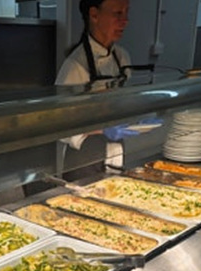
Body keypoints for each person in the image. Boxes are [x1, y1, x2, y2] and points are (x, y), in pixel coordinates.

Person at [55, 0, 140, 181]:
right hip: (84, 158)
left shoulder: (122, 57)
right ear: (94, 15)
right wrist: (103, 129)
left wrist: (136, 116)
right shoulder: (75, 65)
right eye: (118, 13)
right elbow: (59, 125)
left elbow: (124, 102)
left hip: (115, 151)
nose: (125, 20)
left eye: (127, 12)